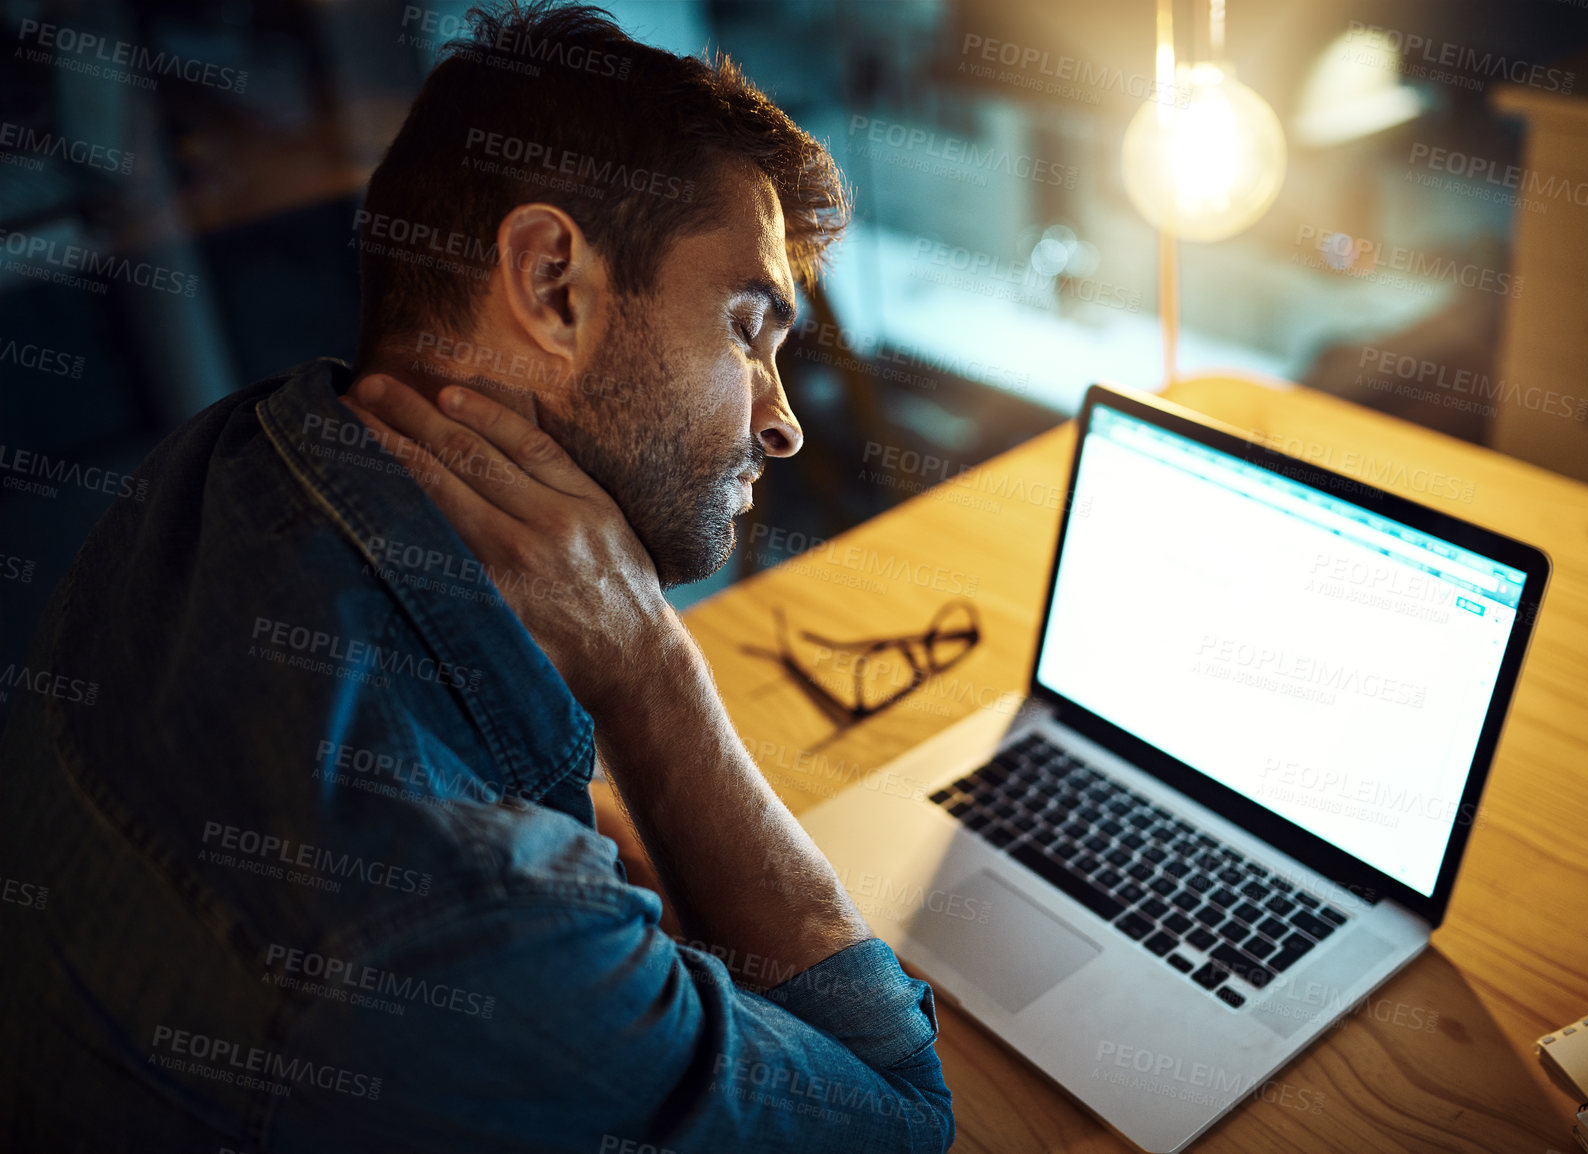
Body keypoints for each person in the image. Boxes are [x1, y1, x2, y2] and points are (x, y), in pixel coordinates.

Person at [0, 4, 954, 1151]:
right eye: (747, 326)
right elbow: (898, 1112)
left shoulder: (228, 463)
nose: (784, 421)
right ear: (552, 280)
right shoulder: (471, 928)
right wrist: (650, 666)